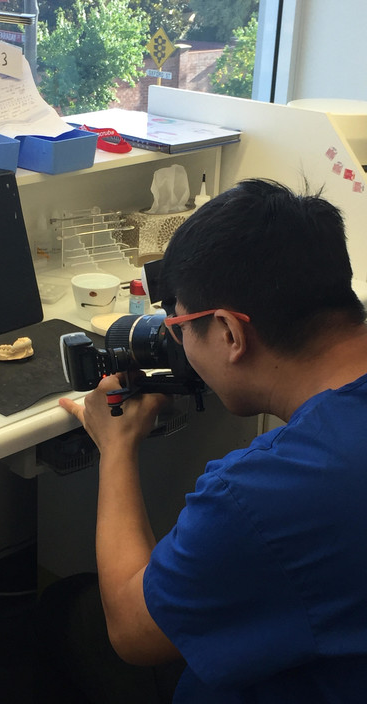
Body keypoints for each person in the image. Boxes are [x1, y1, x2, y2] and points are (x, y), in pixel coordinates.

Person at [52, 178, 367, 702]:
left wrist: (117, 447)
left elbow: (132, 631)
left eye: (179, 327)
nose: (175, 340)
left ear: (229, 332)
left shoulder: (264, 493)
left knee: (68, 611)